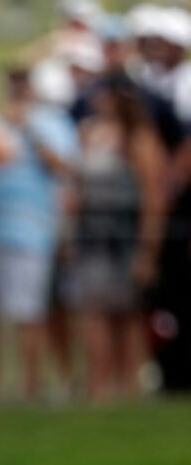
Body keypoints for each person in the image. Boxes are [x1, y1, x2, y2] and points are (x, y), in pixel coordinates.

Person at [0, 67, 78, 401]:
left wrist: (27, 130)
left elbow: (62, 168)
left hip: (30, 230)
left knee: (28, 312)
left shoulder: (52, 123)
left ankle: (31, 387)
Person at [72, 75, 166, 401]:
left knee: (128, 316)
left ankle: (129, 389)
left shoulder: (140, 139)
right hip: (92, 238)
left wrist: (147, 251)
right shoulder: (89, 133)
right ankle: (100, 389)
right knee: (94, 313)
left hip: (125, 239)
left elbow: (153, 199)